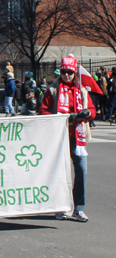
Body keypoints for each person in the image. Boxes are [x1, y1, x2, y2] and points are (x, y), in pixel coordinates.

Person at [39, 54, 96, 222]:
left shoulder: (82, 90)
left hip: (78, 138)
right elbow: (43, 111)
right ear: (60, 72)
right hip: (60, 137)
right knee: (61, 174)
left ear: (74, 73)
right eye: (64, 72)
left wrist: (87, 113)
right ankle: (61, 207)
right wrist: (60, 118)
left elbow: (92, 109)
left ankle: (78, 208)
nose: (67, 76)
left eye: (70, 73)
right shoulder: (53, 89)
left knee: (81, 172)